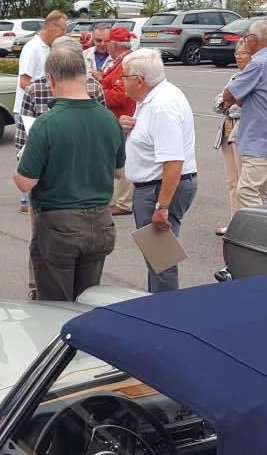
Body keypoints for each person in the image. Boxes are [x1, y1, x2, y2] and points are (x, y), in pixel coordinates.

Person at [13, 47, 125, 302]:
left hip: (59, 225)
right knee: (87, 301)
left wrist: (20, 166)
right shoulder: (109, 119)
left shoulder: (46, 123)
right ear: (84, 75)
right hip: (100, 223)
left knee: (56, 307)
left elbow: (25, 183)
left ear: (51, 79)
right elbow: (119, 172)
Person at [117, 49, 198, 293]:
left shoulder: (161, 106)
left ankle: (165, 309)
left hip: (158, 188)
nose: (121, 81)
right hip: (155, 187)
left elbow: (173, 161)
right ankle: (159, 304)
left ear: (139, 80)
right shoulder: (153, 98)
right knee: (158, 259)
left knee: (161, 261)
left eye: (124, 77)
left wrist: (162, 206)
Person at [13, 35, 106, 217]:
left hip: (53, 176)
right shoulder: (93, 87)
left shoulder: (36, 88)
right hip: (80, 174)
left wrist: (27, 169)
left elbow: (22, 139)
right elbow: (22, 137)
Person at [222, 19, 267, 209]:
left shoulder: (258, 63)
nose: (245, 43)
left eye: (246, 39)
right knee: (265, 192)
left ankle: (263, 226)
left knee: (246, 190)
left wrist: (239, 95)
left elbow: (228, 95)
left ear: (253, 39)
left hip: (260, 138)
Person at [99, 26, 137, 216]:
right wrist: (102, 79)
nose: (105, 46)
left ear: (114, 44)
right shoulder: (122, 61)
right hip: (120, 118)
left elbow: (119, 96)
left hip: (122, 118)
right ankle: (124, 200)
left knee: (124, 159)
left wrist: (97, 91)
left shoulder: (125, 63)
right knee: (122, 157)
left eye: (107, 42)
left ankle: (124, 203)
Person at [212, 44, 250, 235]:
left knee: (245, 182)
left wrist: (227, 103)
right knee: (232, 181)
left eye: (243, 53)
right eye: (237, 53)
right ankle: (235, 222)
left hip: (242, 133)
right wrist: (227, 103)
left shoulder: (252, 77)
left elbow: (242, 107)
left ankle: (248, 225)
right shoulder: (235, 77)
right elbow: (217, 103)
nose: (238, 56)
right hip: (226, 132)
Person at [15, 10, 69, 121]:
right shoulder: (32, 48)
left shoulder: (51, 47)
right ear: (51, 26)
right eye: (63, 29)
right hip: (29, 112)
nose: (65, 33)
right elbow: (24, 83)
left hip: (43, 111)